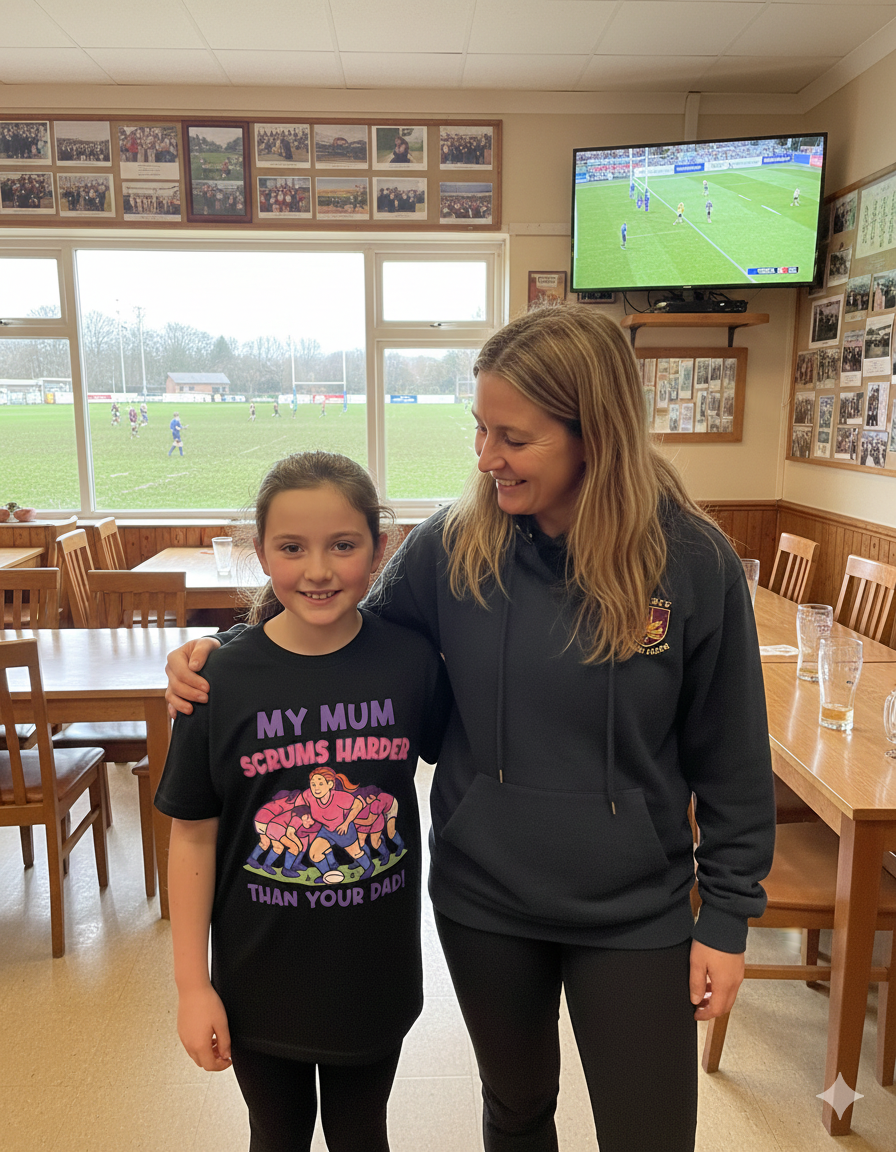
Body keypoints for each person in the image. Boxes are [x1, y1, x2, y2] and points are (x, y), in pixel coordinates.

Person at [164, 306, 776, 1152]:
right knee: (518, 1110)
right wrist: (224, 654)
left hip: (636, 906)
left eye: (513, 438)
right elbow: (338, 634)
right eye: (480, 429)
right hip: (487, 901)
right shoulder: (457, 547)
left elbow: (734, 756)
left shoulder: (692, 561)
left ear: (591, 434)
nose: (487, 457)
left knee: (652, 1133)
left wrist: (729, 917)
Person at [156, 451, 450, 1152]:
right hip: (258, 983)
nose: (317, 569)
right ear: (260, 552)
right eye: (292, 547)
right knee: (275, 1135)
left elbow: (470, 760)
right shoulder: (215, 681)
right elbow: (193, 837)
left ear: (379, 550)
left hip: (373, 978)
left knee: (361, 1135)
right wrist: (192, 987)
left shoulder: (411, 663)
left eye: (342, 545)